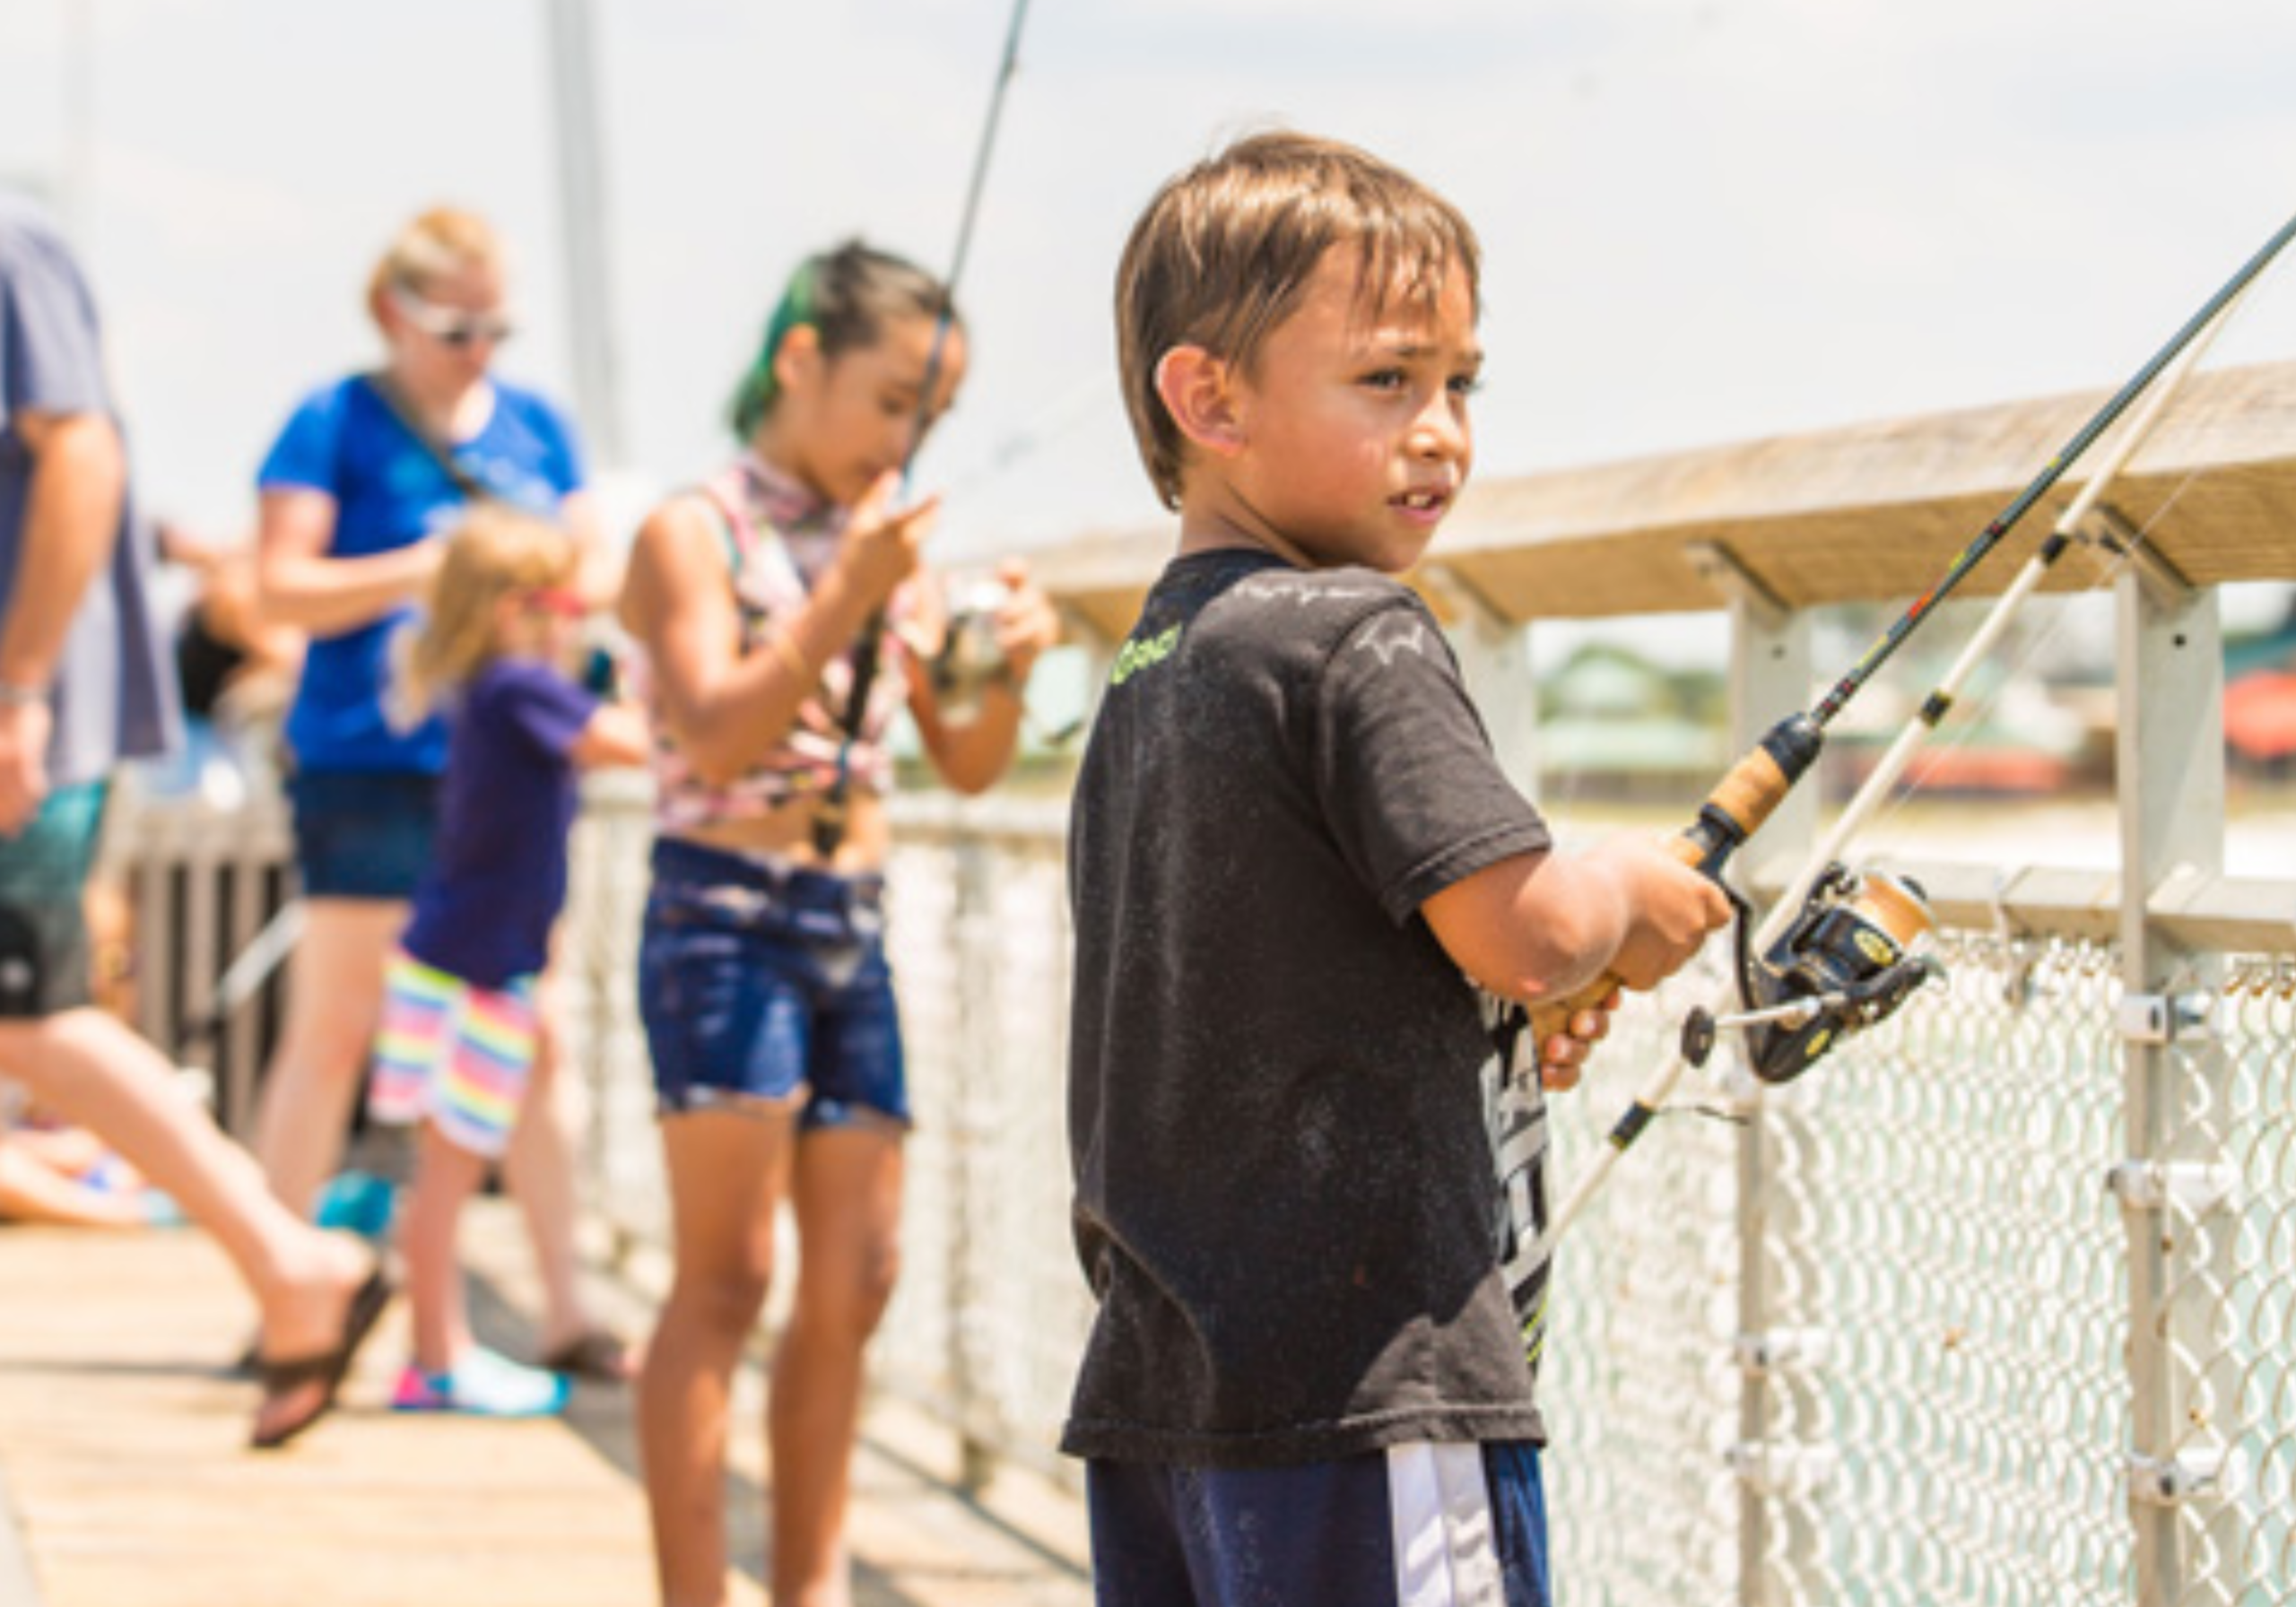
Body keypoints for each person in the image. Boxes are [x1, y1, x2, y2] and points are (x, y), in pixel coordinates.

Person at [1062, 130, 1735, 1605]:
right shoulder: (1352, 631)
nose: (1441, 430)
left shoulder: (1155, 666)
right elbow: (1533, 929)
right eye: (1388, 380)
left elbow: (1304, 963)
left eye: (1461, 383)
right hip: (1365, 1389)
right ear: (1207, 396)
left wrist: (1485, 1001)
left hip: (1168, 1383)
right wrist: (1623, 886)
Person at [615, 238, 1060, 1607]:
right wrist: (845, 594)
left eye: (930, 417)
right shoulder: (691, 530)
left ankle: (807, 1589)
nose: (906, 440)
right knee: (727, 1278)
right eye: (889, 401)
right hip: (722, 914)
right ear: (799, 360)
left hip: (850, 915)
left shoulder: (886, 550)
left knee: (859, 1275)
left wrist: (1009, 669)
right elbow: (712, 721)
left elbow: (967, 762)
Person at [0, 187, 387, 1448]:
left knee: (36, 1010)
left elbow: (83, 454)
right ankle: (287, 1263)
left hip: (25, 719)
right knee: (34, 1014)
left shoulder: (8, 238)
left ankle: (288, 1260)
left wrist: (17, 693)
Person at [248, 205, 633, 1381]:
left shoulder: (537, 429)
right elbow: (279, 587)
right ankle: (276, 1288)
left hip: (506, 789)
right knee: (336, 1034)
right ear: (394, 314)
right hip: (370, 769)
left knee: (538, 1041)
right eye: (454, 327)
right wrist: (430, 568)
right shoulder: (332, 420)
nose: (478, 352)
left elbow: (591, 568)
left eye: (494, 328)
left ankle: (568, 1306)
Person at [367, 507, 648, 1415]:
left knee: (442, 1169)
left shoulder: (491, 690)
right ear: (511, 608)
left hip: (456, 960)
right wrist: (669, 686)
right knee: (447, 1172)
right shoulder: (520, 689)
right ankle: (435, 1358)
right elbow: (628, 745)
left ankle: (432, 1350)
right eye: (560, 601)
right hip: (475, 973)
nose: (572, 617)